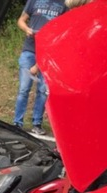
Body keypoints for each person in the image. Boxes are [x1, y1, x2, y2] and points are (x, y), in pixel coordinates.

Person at [13, 0, 68, 135]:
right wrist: (27, 29)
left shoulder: (64, 4)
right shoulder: (33, 1)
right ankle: (17, 123)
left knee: (43, 91)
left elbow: (65, 28)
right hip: (30, 50)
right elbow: (21, 20)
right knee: (23, 89)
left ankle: (37, 123)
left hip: (49, 52)